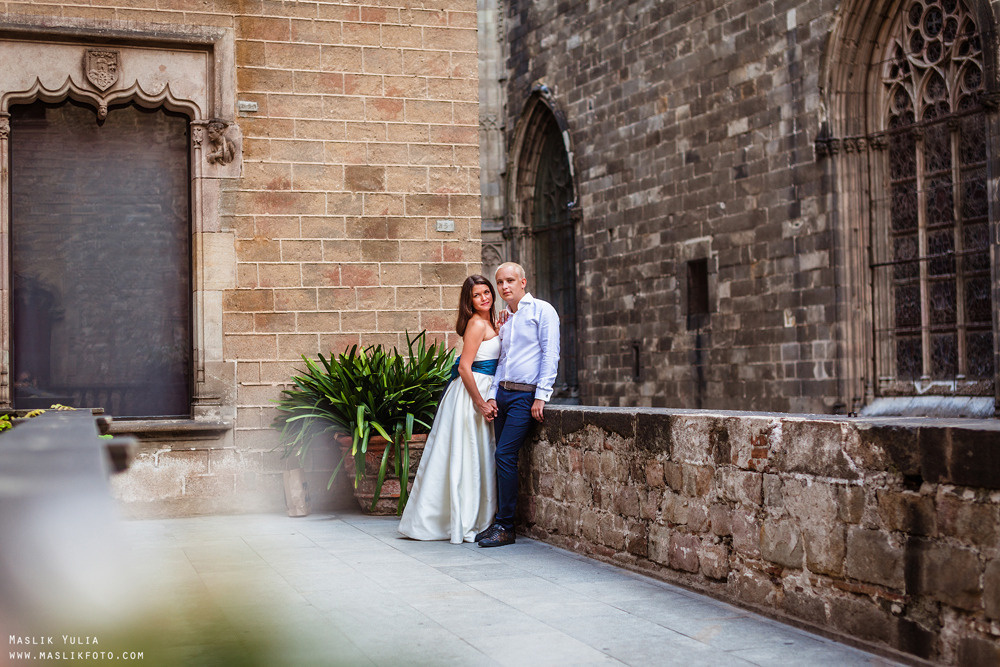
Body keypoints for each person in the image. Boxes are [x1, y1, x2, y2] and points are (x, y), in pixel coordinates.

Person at [398, 275, 500, 543]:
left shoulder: (492, 321)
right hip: (471, 395)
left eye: (487, 292)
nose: (484, 298)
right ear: (469, 301)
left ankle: (477, 515)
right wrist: (480, 402)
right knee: (466, 454)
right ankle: (460, 519)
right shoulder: (477, 324)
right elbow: (465, 367)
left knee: (477, 455)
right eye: (477, 295)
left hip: (485, 389)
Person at [476, 262, 559, 548]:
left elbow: (550, 354)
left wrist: (542, 395)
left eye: (510, 280)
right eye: (499, 282)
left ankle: (505, 527)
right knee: (501, 458)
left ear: (523, 282)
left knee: (505, 455)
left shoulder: (542, 311)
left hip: (525, 395)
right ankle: (500, 521)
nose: (504, 287)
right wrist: (491, 394)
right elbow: (503, 360)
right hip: (503, 395)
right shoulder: (505, 319)